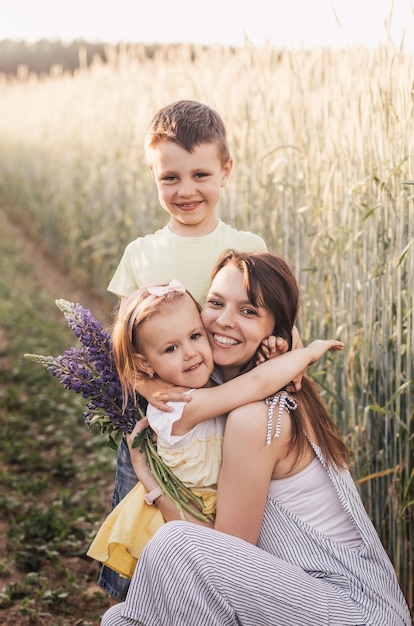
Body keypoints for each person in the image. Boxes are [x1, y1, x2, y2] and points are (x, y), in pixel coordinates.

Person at [100, 250, 411, 626]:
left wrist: (150, 481)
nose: (223, 321)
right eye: (215, 303)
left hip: (349, 607)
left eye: (248, 312)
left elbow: (223, 557)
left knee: (174, 545)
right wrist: (141, 380)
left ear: (275, 331)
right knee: (120, 620)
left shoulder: (258, 416)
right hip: (293, 596)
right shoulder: (220, 389)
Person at [100, 99, 270, 604]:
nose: (186, 190)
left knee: (221, 534)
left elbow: (269, 318)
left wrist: (282, 341)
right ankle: (135, 606)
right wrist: (160, 393)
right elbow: (124, 350)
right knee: (146, 526)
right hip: (160, 424)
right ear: (152, 175)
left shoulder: (246, 244)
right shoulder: (142, 253)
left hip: (232, 420)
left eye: (200, 173)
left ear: (226, 170)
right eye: (169, 177)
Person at [87, 276, 342, 579]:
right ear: (144, 364)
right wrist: (308, 353)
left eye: (195, 336)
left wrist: (274, 348)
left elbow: (250, 375)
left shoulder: (209, 382)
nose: (191, 353)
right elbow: (255, 385)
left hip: (206, 517)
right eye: (171, 349)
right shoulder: (178, 406)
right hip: (178, 519)